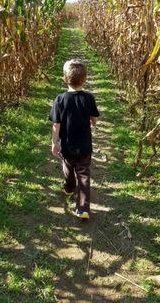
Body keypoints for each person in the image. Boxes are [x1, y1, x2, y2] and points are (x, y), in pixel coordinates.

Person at [49, 59, 100, 219]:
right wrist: (93, 123)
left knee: (68, 168)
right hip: (84, 145)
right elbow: (93, 117)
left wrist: (54, 142)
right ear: (84, 79)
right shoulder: (89, 98)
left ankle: (69, 188)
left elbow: (56, 125)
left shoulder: (60, 99)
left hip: (67, 145)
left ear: (65, 78)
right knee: (83, 174)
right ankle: (83, 208)